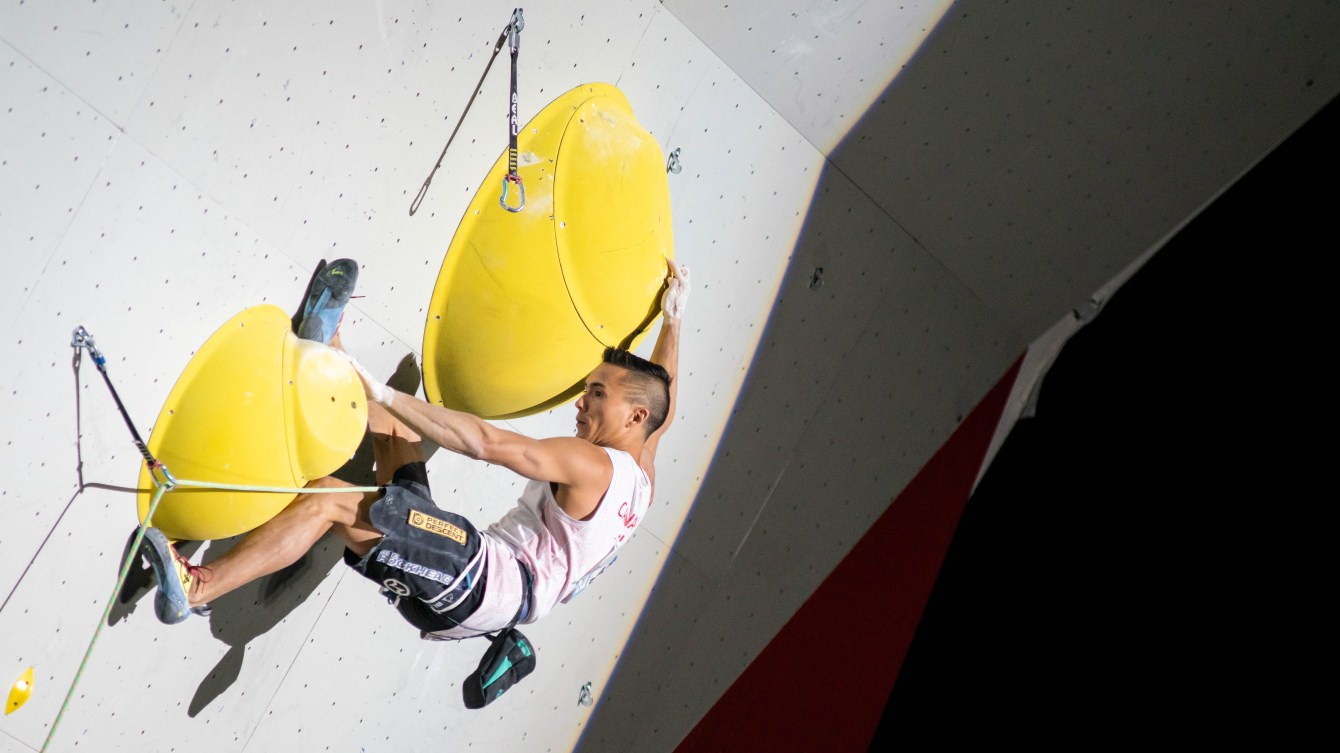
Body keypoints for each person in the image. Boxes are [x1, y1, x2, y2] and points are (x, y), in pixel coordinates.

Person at [140, 260, 690, 641]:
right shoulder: (642, 473)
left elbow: (487, 442)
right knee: (398, 438)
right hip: (484, 601)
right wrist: (673, 316)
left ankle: (195, 587)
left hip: (486, 579)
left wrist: (385, 390)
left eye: (595, 394)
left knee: (332, 498)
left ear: (632, 415)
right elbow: (662, 393)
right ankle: (329, 349)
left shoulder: (592, 462)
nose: (580, 405)